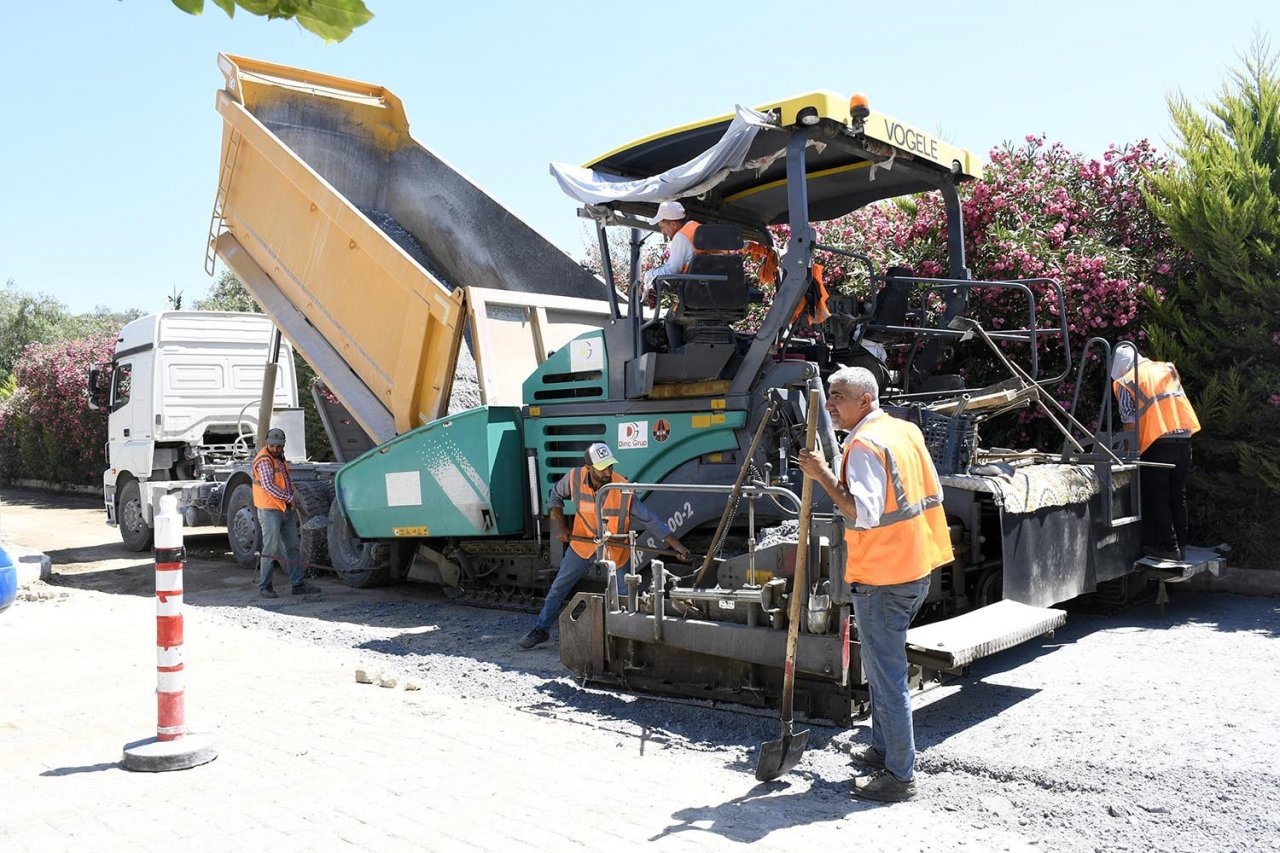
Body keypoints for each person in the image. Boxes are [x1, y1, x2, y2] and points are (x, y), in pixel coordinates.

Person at [797, 366, 951, 802]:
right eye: (828, 394)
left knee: (887, 678)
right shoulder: (902, 430)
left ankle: (899, 776)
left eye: (839, 396)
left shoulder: (864, 446)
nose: (830, 405)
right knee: (885, 666)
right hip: (915, 564)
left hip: (884, 574)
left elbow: (861, 512)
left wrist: (823, 474)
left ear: (865, 400)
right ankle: (883, 749)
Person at [519, 442, 692, 650]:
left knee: (624, 597)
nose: (609, 471)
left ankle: (628, 639)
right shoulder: (574, 478)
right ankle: (541, 629)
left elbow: (651, 520)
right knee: (559, 587)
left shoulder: (621, 487)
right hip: (582, 545)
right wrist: (562, 527)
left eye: (610, 465)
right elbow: (555, 496)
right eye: (603, 467)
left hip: (615, 550)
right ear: (589, 467)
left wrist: (677, 546)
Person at [1111, 343, 1201, 562]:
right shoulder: (1166, 369)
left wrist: (1126, 452)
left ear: (1118, 368)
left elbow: (1130, 424)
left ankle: (1170, 549)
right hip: (1184, 439)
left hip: (1158, 444)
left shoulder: (1126, 381)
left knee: (1159, 498)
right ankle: (1182, 545)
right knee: (1177, 495)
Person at [252, 427, 320, 598]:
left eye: (279, 446)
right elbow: (268, 486)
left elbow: (284, 482)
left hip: (283, 509)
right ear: (267, 443)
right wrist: (288, 497)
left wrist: (291, 496)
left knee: (293, 547)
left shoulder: (280, 458)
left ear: (283, 446)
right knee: (271, 548)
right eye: (273, 446)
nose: (276, 449)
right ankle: (265, 587)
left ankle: (298, 584)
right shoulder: (264, 460)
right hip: (269, 510)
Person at [641, 200, 701, 304]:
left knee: (669, 318)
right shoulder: (698, 228)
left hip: (696, 295)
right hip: (718, 292)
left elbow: (671, 271)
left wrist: (648, 275)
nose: (662, 232)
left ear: (673, 224)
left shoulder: (681, 236)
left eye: (662, 227)